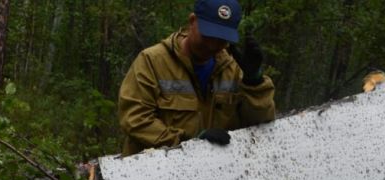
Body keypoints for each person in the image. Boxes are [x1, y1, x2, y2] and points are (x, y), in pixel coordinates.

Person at [118, 0, 276, 156]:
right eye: (208, 35)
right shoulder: (153, 62)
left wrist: (254, 81)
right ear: (192, 21)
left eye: (221, 39)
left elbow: (261, 124)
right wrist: (189, 143)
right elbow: (135, 119)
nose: (212, 45)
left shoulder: (233, 70)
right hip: (155, 172)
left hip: (215, 173)